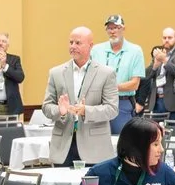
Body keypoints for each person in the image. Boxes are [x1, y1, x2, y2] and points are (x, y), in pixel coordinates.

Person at [44, 28, 120, 166]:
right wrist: (59, 111)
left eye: (78, 43)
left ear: (90, 46)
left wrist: (86, 111)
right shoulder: (56, 73)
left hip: (95, 148)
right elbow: (46, 106)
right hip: (64, 147)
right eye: (71, 42)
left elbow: (112, 109)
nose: (73, 46)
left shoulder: (106, 73)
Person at [93, 15, 146, 123]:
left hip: (122, 103)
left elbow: (135, 84)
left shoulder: (135, 51)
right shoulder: (96, 50)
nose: (112, 31)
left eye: (116, 27)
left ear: (123, 29)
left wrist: (110, 88)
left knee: (120, 138)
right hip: (98, 103)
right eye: (110, 28)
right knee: (97, 138)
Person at [0, 32, 26, 117]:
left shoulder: (14, 59)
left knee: (11, 130)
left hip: (11, 108)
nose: (0, 43)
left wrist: (5, 66)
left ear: (7, 45)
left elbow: (20, 78)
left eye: (4, 41)